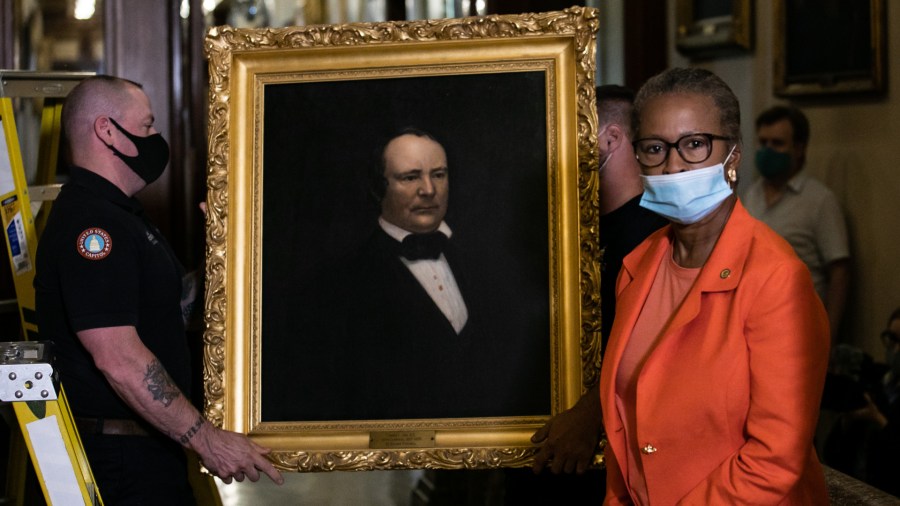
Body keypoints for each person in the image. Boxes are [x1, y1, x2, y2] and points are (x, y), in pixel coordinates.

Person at [34, 75, 283, 504]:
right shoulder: (93, 226)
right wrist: (204, 438)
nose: (156, 138)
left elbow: (171, 309)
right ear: (107, 130)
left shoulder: (123, 215)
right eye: (147, 126)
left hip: (148, 452)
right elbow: (119, 357)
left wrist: (221, 256)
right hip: (118, 465)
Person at [599, 67, 830, 504]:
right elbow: (625, 433)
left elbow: (774, 460)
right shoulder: (638, 265)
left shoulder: (776, 279)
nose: (673, 165)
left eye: (694, 145)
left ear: (734, 156)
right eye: (654, 148)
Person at [286, 127, 549, 421]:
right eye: (410, 177)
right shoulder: (339, 285)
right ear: (378, 187)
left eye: (438, 174)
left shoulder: (490, 266)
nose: (428, 190)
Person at [528, 86, 666, 485]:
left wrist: (591, 413)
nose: (556, 145)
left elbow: (651, 342)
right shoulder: (568, 227)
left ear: (609, 139)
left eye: (570, 131)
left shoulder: (657, 232)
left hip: (619, 448)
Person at [743, 105, 850, 342]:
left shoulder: (820, 201)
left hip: (799, 329)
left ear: (799, 148)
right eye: (763, 143)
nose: (768, 150)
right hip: (754, 325)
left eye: (777, 143)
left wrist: (828, 336)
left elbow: (839, 272)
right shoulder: (751, 194)